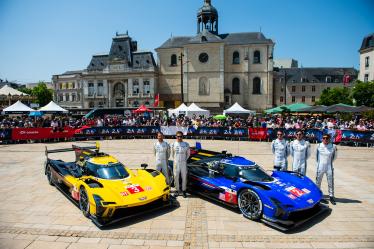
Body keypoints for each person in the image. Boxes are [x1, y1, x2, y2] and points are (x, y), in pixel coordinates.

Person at [316, 134, 337, 205]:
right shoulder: (318, 145)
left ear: (329, 139)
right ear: (322, 139)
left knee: (330, 182)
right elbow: (316, 157)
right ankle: (318, 196)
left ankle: (331, 196)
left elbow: (334, 157)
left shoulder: (333, 146)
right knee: (318, 181)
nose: (325, 139)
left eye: (327, 138)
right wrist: (320, 164)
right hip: (320, 166)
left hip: (329, 166)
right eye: (324, 138)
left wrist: (329, 163)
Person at [171, 131, 190, 198]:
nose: (179, 138)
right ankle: (177, 190)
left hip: (183, 163)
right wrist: (176, 160)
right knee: (176, 176)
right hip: (176, 163)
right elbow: (172, 154)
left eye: (180, 136)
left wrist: (184, 160)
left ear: (182, 137)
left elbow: (188, 154)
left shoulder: (186, 144)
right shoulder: (173, 144)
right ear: (176, 137)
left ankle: (184, 190)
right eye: (178, 136)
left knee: (184, 176)